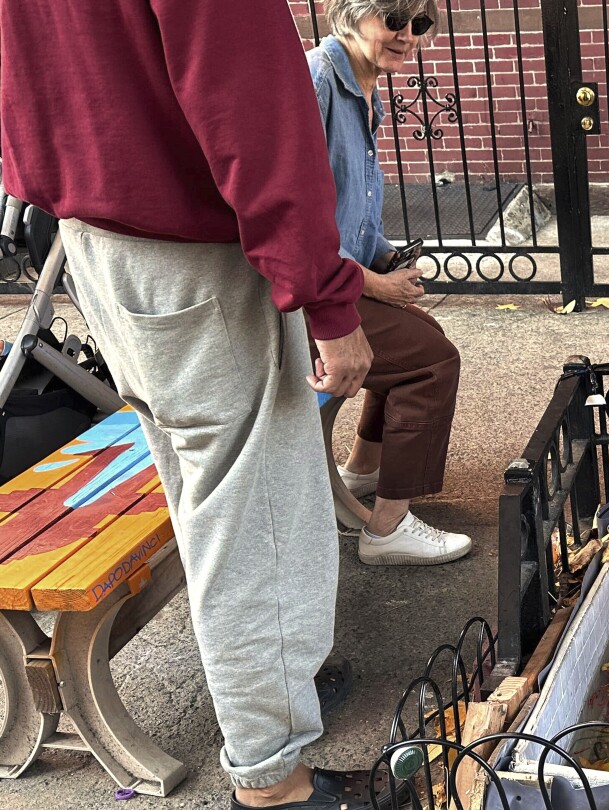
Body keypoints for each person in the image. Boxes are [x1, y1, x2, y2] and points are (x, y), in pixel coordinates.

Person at [0, 2, 391, 808]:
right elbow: (253, 111)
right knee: (251, 516)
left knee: (203, 490)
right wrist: (328, 303)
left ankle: (275, 694)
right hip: (189, 249)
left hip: (93, 235)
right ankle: (274, 775)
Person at [309, 0, 472, 566]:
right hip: (302, 298)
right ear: (348, 14)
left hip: (337, 280)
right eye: (395, 19)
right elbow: (298, 230)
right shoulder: (318, 82)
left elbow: (352, 216)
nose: (409, 36)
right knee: (433, 361)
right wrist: (377, 288)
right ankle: (388, 529)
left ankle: (361, 471)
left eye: (421, 24)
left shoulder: (361, 83)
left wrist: (385, 261)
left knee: (417, 332)